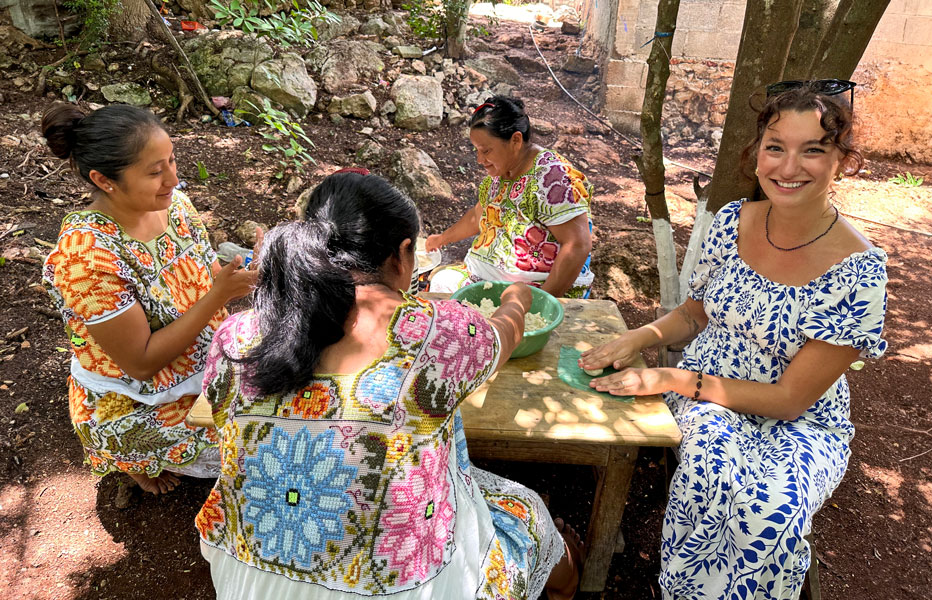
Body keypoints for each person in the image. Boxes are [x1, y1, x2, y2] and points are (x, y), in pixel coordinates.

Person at [195, 172, 583, 600]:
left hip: (245, 576)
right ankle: (568, 582)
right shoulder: (441, 333)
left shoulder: (234, 336)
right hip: (407, 587)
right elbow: (504, 336)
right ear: (402, 255)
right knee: (527, 511)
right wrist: (516, 300)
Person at [579, 80, 888, 599]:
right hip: (710, 399)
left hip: (802, 417)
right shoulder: (731, 222)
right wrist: (641, 336)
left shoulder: (859, 270)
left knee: (773, 507)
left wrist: (671, 377)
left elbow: (791, 400)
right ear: (757, 152)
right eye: (776, 147)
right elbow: (695, 314)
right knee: (711, 470)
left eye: (812, 150)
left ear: (843, 159)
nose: (788, 168)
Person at [40, 103, 256, 494]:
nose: (173, 178)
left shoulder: (174, 206)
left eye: (172, 161)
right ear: (104, 181)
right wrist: (220, 294)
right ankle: (132, 458)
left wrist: (240, 274)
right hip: (136, 397)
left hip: (200, 355)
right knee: (251, 444)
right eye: (155, 171)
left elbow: (199, 274)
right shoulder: (87, 258)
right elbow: (140, 363)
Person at [426, 95, 594, 298]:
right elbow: (478, 217)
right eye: (477, 151)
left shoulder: (552, 177)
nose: (480, 160)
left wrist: (540, 306)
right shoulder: (501, 173)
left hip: (531, 291)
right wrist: (441, 239)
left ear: (515, 140)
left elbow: (577, 244)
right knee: (441, 284)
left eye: (486, 150)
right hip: (482, 279)